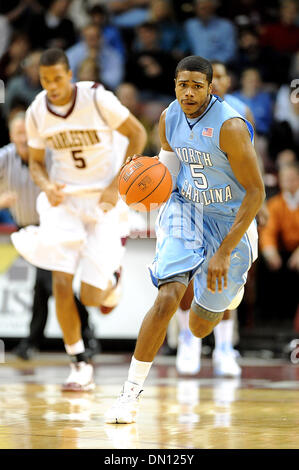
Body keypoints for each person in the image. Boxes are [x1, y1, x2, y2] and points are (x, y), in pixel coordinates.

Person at [105, 55, 265, 423]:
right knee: (167, 297)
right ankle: (129, 396)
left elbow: (256, 193)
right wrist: (141, 172)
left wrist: (224, 252)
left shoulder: (231, 127)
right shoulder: (168, 118)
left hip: (231, 222)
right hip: (187, 209)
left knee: (198, 325)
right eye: (183, 84)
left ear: (211, 88)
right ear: (174, 85)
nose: (189, 92)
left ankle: (232, 292)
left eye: (197, 85)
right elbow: (167, 174)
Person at [11, 48, 147, 390]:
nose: (52, 86)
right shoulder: (37, 111)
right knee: (59, 282)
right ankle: (79, 364)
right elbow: (38, 163)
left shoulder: (97, 98)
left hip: (104, 198)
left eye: (58, 78)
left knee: (89, 297)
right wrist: (46, 186)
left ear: (69, 75)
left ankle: (112, 282)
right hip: (66, 200)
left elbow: (138, 134)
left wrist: (118, 185)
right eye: (45, 80)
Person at [0, 112, 99, 360]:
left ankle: (37, 341)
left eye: (27, 132)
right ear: (12, 135)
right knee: (45, 286)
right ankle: (84, 334)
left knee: (49, 282)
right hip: (26, 229)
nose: (23, 137)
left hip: (55, 226)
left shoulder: (51, 156)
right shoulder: (4, 158)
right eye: (19, 133)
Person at [258, 162, 299, 325]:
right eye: (285, 179)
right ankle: (271, 319)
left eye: (293, 178)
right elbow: (268, 230)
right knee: (268, 264)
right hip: (283, 251)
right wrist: (270, 252)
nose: (289, 182)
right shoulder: (275, 204)